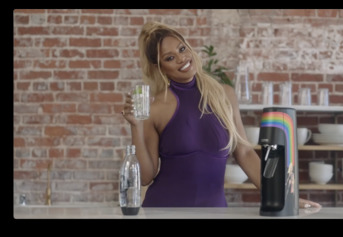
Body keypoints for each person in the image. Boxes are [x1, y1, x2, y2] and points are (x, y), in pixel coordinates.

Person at [121, 21, 321, 209]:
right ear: (160, 67)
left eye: (182, 49)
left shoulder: (224, 95)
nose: (181, 58)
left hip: (215, 211)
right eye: (169, 57)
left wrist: (284, 198)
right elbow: (146, 177)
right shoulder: (156, 107)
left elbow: (244, 153)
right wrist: (136, 126)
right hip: (165, 211)